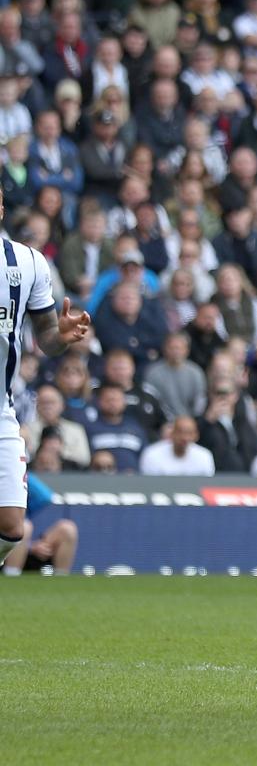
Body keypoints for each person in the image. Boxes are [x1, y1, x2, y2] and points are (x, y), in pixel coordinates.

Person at [0, 186, 93, 570]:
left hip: (1, 410)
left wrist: (62, 337)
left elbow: (47, 339)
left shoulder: (28, 263)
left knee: (11, 527)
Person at [2, 473, 77, 576]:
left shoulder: (14, 476)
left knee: (67, 529)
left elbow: (46, 496)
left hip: (24, 545)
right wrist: (30, 547)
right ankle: (11, 575)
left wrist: (16, 472)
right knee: (24, 526)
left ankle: (61, 580)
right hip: (5, 546)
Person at [139, 415, 215, 476]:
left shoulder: (204, 456)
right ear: (172, 433)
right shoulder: (152, 454)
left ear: (196, 435)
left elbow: (207, 485)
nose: (185, 438)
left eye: (190, 433)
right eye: (180, 432)